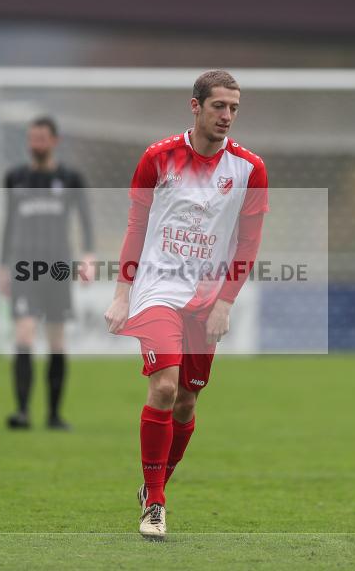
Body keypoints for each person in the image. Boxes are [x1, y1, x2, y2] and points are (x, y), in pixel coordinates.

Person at [105, 70, 269, 540]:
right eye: (219, 106)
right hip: (156, 289)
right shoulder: (158, 158)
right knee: (163, 388)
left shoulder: (249, 169)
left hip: (207, 299)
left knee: (188, 400)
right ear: (195, 106)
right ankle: (155, 504)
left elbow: (249, 244)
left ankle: (153, 486)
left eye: (234, 108)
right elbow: (136, 227)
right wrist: (121, 294)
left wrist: (226, 303)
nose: (227, 116)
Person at [0, 116, 95, 431]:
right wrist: (2, 266)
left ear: (55, 140)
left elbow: (85, 220)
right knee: (24, 333)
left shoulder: (71, 178)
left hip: (57, 267)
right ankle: (22, 411)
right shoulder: (15, 177)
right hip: (24, 267)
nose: (35, 144)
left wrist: (88, 256)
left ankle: (54, 415)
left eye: (41, 138)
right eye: (32, 138)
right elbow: (9, 224)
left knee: (56, 339)